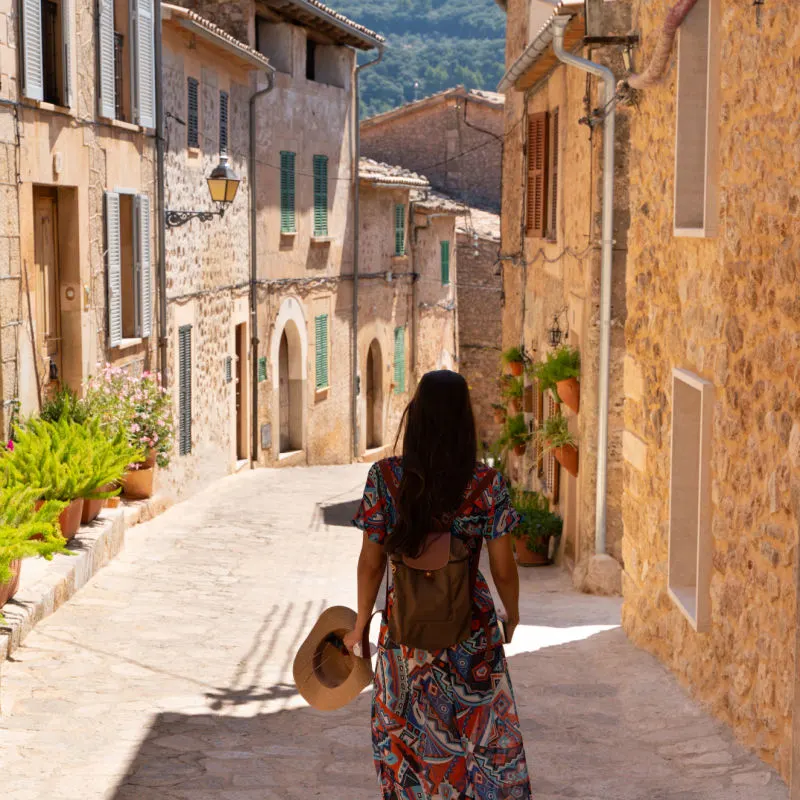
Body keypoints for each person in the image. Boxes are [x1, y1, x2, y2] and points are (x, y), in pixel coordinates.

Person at [346, 369, 532, 799]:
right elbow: (504, 567)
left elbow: (369, 564)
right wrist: (513, 613)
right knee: (481, 743)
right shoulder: (487, 485)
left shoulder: (385, 480)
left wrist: (360, 624)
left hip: (404, 633)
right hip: (471, 632)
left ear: (417, 417)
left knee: (407, 743)